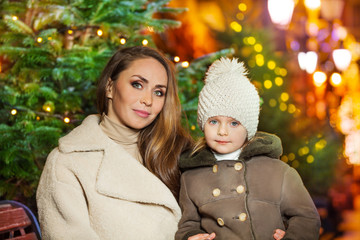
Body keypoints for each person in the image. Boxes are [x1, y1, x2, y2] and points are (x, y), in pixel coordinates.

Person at [36, 46, 193, 239]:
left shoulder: (173, 152)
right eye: (137, 84)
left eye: (158, 92)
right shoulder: (66, 163)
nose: (148, 100)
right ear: (110, 87)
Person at [175, 58, 321, 240]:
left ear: (248, 128)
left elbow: (306, 216)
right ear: (203, 124)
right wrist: (191, 235)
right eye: (213, 121)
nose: (222, 131)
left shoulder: (277, 171)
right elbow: (188, 224)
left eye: (234, 123)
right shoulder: (191, 178)